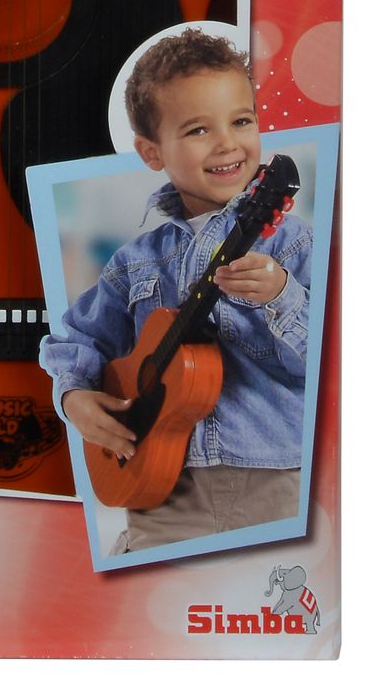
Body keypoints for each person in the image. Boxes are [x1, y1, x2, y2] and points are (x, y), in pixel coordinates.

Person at [40, 28, 311, 551]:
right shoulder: (135, 261)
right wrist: (73, 397)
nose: (227, 142)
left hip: (276, 480)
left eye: (241, 121)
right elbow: (78, 340)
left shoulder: (294, 245)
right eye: (197, 129)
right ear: (151, 152)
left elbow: (328, 369)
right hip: (159, 489)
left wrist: (282, 296)